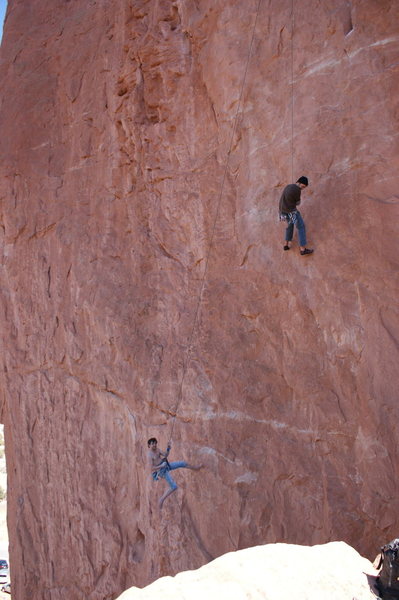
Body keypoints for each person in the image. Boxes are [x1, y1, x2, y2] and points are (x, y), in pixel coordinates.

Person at [147, 438, 203, 509]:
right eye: (152, 444)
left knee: (183, 463)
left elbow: (165, 455)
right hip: (160, 472)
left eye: (155, 443)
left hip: (165, 466)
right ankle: (161, 499)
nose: (154, 445)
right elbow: (151, 468)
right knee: (174, 486)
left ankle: (196, 468)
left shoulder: (157, 450)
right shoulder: (149, 455)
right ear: (149, 445)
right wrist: (161, 466)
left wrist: (168, 448)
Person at [279, 176, 314, 255]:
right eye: (303, 186)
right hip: (291, 212)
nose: (303, 188)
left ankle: (286, 244)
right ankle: (302, 249)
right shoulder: (297, 190)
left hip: (283, 211)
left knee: (290, 225)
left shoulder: (288, 186)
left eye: (304, 187)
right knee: (301, 227)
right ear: (299, 182)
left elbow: (283, 198)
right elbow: (298, 203)